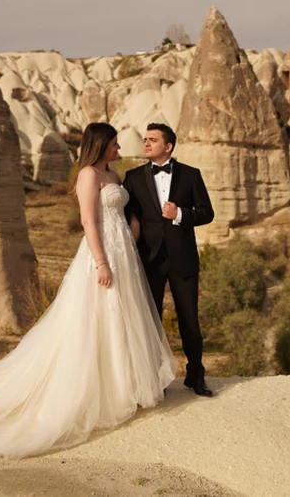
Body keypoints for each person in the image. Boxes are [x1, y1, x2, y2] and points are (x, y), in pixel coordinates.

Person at [0, 122, 176, 458]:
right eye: (114, 144)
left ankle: (123, 389)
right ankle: (98, 394)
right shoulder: (88, 174)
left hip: (124, 251)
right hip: (102, 252)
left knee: (122, 317)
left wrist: (131, 226)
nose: (119, 149)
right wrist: (101, 262)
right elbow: (89, 221)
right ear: (101, 145)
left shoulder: (114, 176)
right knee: (98, 318)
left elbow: (120, 210)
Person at [123, 123, 215, 397]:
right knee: (151, 320)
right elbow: (126, 217)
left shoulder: (191, 175)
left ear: (169, 146)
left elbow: (207, 213)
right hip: (148, 260)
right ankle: (154, 378)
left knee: (189, 320)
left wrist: (180, 214)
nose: (146, 144)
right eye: (146, 139)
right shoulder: (133, 177)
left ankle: (196, 376)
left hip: (182, 258)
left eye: (153, 140)